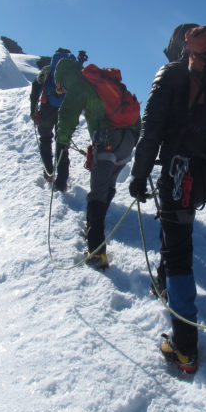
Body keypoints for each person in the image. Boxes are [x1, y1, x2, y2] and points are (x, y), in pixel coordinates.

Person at [128, 23, 206, 373]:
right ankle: (165, 285)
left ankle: (185, 347)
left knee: (178, 247)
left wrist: (139, 175)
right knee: (177, 232)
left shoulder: (170, 73)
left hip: (178, 171)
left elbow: (150, 129)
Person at [54, 57, 140, 269]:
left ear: (64, 78)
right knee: (107, 187)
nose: (63, 90)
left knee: (97, 194)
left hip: (107, 141)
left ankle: (96, 251)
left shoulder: (79, 84)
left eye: (61, 85)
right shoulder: (103, 82)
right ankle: (95, 228)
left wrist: (62, 140)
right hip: (127, 141)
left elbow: (67, 114)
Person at [31, 48, 87, 190]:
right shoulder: (73, 71)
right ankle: (61, 183)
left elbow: (36, 87)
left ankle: (49, 172)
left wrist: (33, 110)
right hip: (65, 109)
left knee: (45, 138)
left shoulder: (49, 69)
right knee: (62, 145)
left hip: (47, 107)